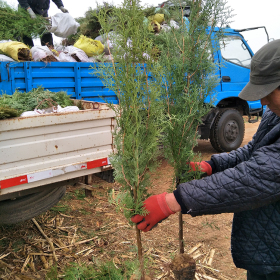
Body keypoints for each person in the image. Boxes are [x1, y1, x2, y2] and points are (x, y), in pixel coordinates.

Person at [131, 39, 280, 280]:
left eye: (267, 93)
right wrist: (211, 165)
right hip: (268, 246)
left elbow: (258, 176)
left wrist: (173, 200)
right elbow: (254, 150)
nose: (262, 102)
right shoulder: (276, 114)